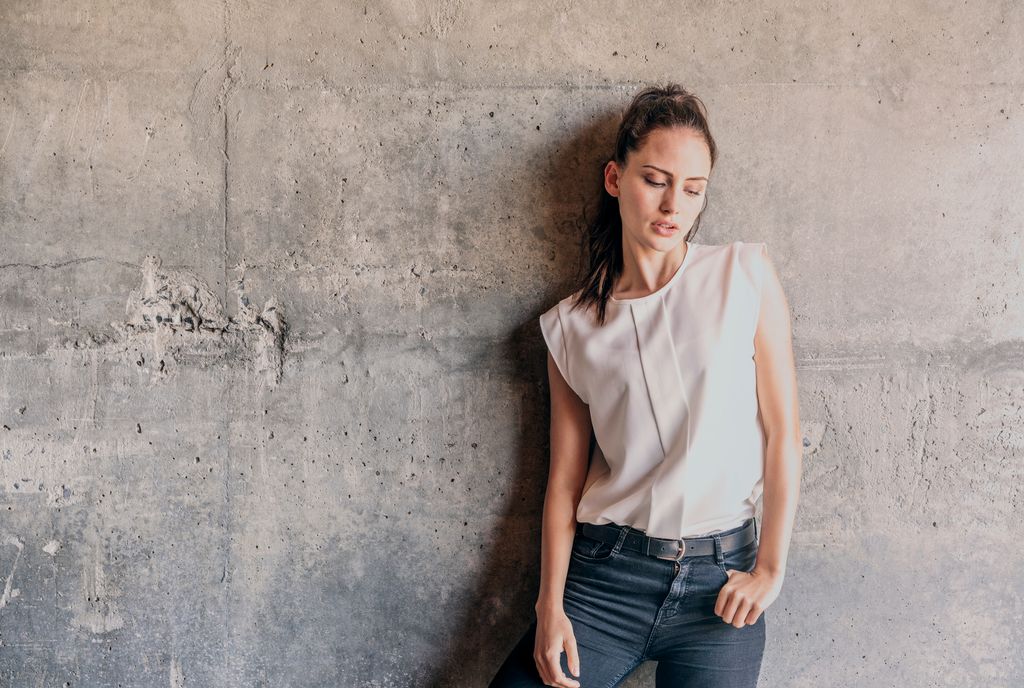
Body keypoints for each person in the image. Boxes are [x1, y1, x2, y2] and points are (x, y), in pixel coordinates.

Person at [488, 84, 802, 688]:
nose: (673, 206)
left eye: (692, 189)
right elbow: (563, 481)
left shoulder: (744, 275)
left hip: (722, 587)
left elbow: (783, 434)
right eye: (655, 180)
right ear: (615, 178)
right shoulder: (573, 326)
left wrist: (770, 569)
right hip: (607, 580)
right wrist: (549, 607)